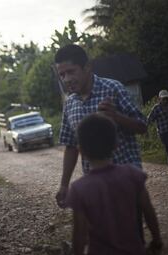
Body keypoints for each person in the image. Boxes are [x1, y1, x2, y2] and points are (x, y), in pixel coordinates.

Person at [66, 114, 162, 255]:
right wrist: (157, 240)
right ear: (116, 144)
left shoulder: (79, 189)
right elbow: (148, 211)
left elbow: (79, 233)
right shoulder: (133, 175)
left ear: (81, 151)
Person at [54, 44, 147, 208]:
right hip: (96, 186)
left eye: (71, 71)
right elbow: (71, 146)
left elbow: (142, 126)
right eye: (62, 75)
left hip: (126, 180)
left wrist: (116, 116)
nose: (66, 79)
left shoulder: (113, 88)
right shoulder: (69, 104)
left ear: (87, 67)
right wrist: (64, 185)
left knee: (131, 229)